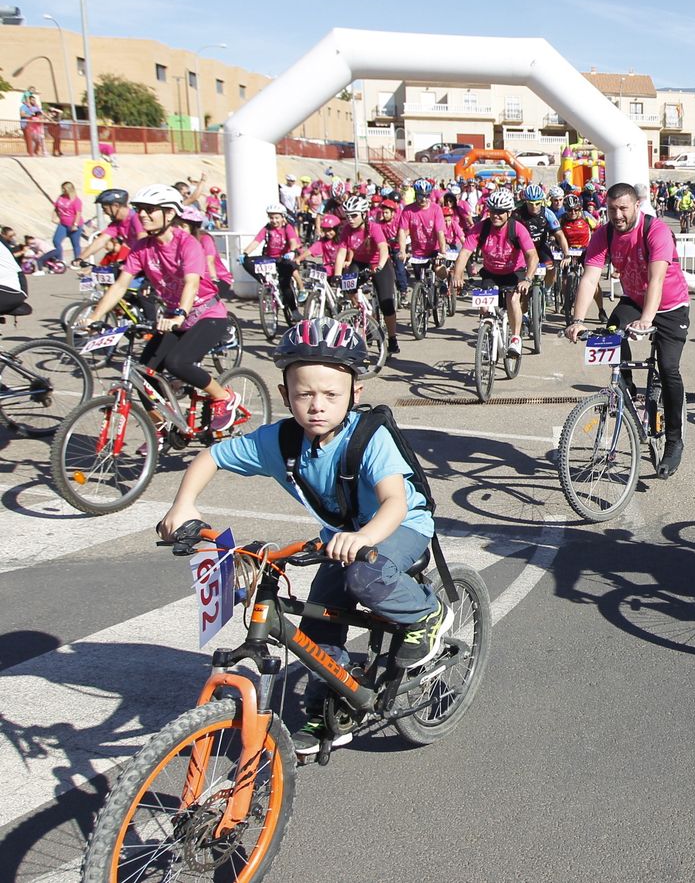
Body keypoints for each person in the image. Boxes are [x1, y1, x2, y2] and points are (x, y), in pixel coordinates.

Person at [157, 318, 447, 756]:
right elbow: (212, 456)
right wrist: (183, 505)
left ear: (355, 394)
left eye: (331, 394)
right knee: (318, 619)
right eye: (303, 393)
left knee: (364, 580)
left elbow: (394, 503)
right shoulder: (279, 441)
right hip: (342, 537)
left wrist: (363, 536)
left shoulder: (369, 438)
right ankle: (330, 705)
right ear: (284, 395)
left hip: (399, 526)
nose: (316, 405)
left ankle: (425, 615)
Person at [78, 185, 243, 428]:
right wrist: (94, 316)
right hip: (174, 318)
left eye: (149, 210)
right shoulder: (141, 248)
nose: (142, 215)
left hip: (206, 314)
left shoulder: (187, 243)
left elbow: (191, 283)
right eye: (140, 210)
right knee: (143, 375)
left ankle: (224, 397)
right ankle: (160, 428)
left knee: (178, 363)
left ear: (169, 214)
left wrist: (180, 314)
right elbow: (120, 285)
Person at [564, 183, 692, 477]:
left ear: (637, 206)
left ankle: (674, 441)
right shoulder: (604, 233)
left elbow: (657, 280)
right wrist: (577, 319)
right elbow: (589, 278)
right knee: (610, 331)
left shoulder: (655, 230)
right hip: (634, 300)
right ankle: (626, 386)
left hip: (670, 306)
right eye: (611, 209)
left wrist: (647, 320)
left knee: (669, 367)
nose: (617, 215)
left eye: (623, 208)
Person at [451, 187, 537, 355]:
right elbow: (465, 253)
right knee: (484, 308)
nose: (496, 215)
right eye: (492, 211)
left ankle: (515, 339)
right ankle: (488, 334)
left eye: (500, 212)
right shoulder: (480, 228)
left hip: (514, 272)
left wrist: (527, 278)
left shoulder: (518, 229)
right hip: (491, 272)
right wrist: (457, 275)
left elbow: (532, 256)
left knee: (513, 300)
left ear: (509, 213)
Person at [332, 194, 401, 356]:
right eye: (347, 215)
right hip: (359, 262)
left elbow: (384, 249)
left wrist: (380, 266)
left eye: (354, 215)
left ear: (364, 214)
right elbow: (341, 253)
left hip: (379, 263)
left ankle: (392, 338)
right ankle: (362, 314)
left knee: (386, 303)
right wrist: (337, 274)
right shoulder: (347, 230)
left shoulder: (374, 228)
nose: (350, 219)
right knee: (348, 286)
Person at [242, 203, 304, 321]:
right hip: (269, 258)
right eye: (271, 217)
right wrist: (244, 253)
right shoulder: (266, 228)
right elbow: (256, 241)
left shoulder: (287, 228)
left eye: (276, 217)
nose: (274, 220)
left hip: (283, 258)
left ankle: (294, 310)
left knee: (285, 284)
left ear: (282, 217)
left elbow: (293, 241)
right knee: (246, 262)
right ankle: (265, 282)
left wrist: (291, 251)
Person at [177, 205, 232, 295]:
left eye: (183, 226)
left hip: (218, 277)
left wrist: (214, 279)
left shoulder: (205, 239)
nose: (179, 229)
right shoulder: (179, 241)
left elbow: (209, 261)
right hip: (195, 277)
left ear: (193, 228)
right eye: (176, 225)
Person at [77, 188, 141, 266]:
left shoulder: (136, 218)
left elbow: (143, 243)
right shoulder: (117, 223)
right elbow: (101, 240)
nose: (105, 212)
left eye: (105, 209)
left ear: (116, 206)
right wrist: (80, 258)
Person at [53, 181, 85, 265]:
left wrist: (75, 225)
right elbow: (56, 207)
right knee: (56, 240)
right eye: (62, 189)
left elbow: (78, 213)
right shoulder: (60, 197)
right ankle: (60, 259)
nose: (63, 191)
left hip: (73, 224)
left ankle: (77, 261)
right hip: (63, 224)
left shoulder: (76, 200)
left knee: (75, 244)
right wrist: (54, 216)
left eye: (65, 189)